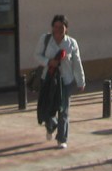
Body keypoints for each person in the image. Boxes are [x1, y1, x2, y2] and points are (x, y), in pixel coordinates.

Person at [34, 14, 85, 149]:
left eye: (61, 27)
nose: (58, 30)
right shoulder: (45, 40)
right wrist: (49, 62)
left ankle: (62, 138)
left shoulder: (71, 43)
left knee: (64, 110)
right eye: (55, 27)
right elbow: (37, 55)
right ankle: (51, 126)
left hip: (65, 81)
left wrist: (81, 81)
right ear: (52, 27)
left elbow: (77, 63)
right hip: (49, 80)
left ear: (66, 29)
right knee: (48, 108)